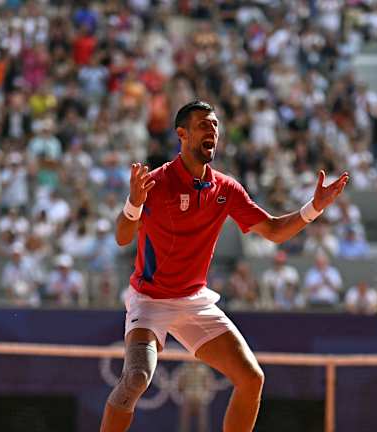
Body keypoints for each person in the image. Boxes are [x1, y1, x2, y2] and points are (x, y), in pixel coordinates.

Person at [100, 101, 349, 432]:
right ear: (182, 134)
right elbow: (121, 237)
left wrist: (313, 208)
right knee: (136, 379)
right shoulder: (156, 183)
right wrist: (133, 203)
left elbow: (274, 230)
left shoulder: (226, 188)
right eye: (204, 125)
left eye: (215, 126)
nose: (212, 132)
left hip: (194, 300)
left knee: (251, 378)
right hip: (150, 300)